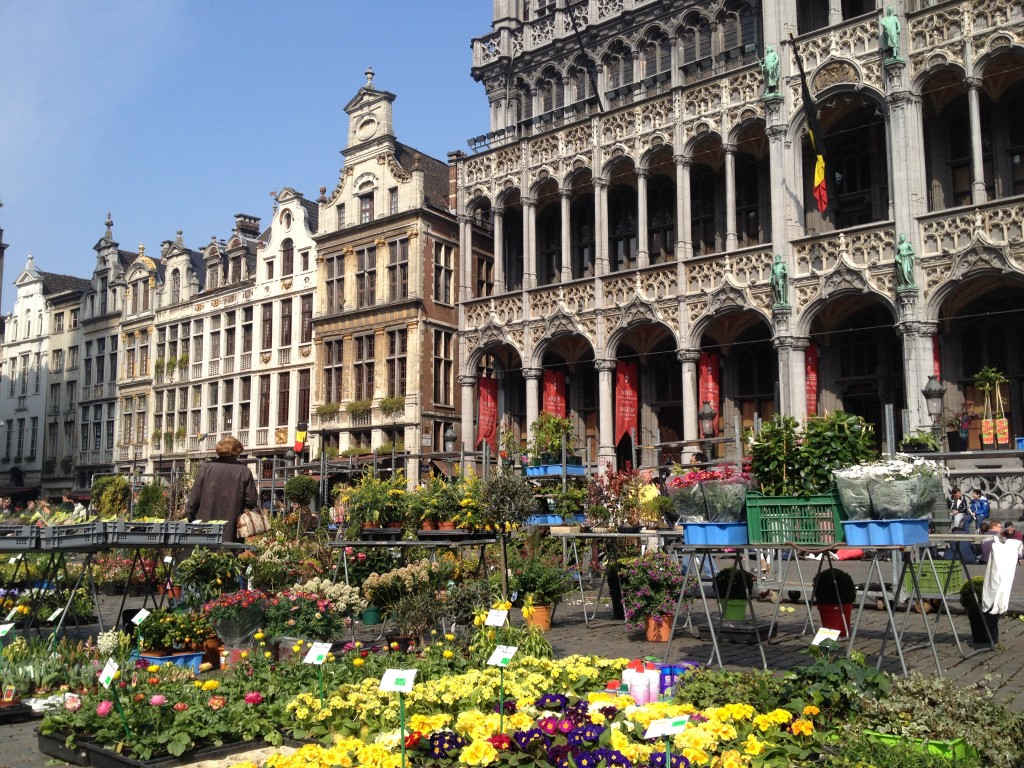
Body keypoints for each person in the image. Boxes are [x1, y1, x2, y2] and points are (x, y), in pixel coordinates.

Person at [185, 435, 258, 544]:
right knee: (228, 557)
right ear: (237, 452)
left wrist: (189, 517)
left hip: (205, 526)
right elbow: (251, 501)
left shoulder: (206, 468)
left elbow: (194, 498)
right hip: (231, 527)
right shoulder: (244, 471)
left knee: (202, 556)